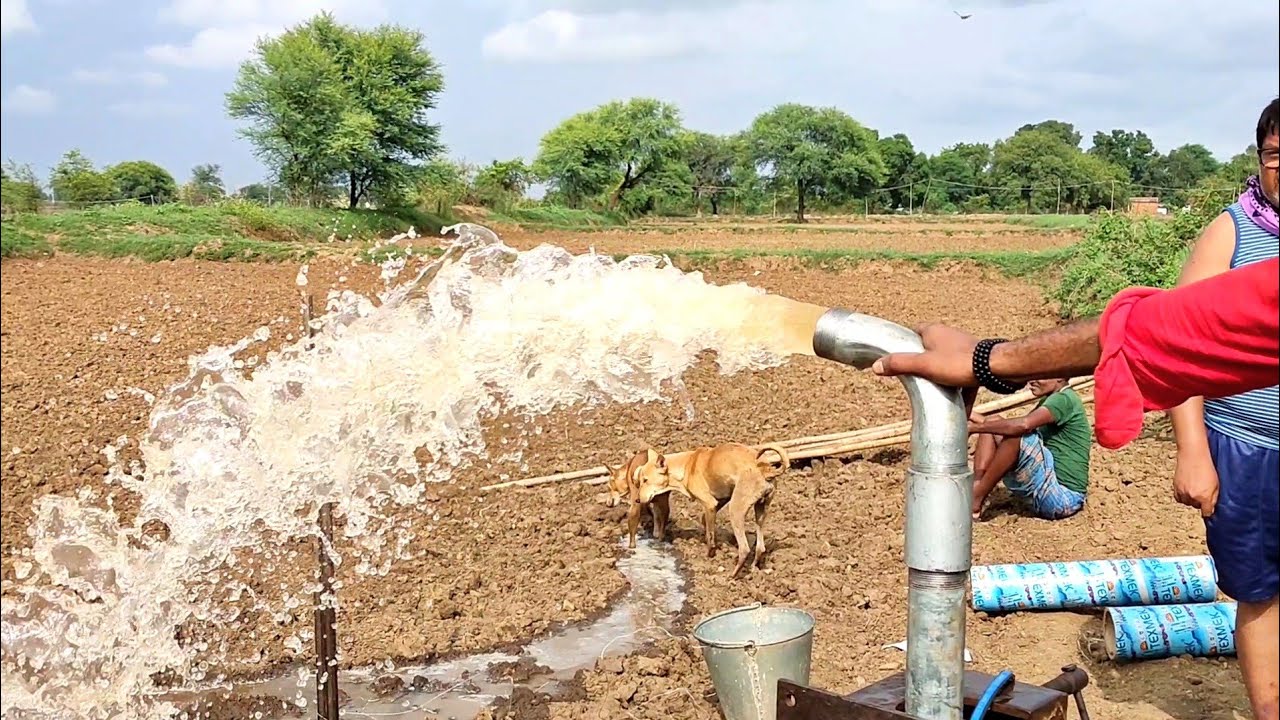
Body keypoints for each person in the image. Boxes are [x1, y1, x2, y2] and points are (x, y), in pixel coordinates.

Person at [870, 255, 1279, 451]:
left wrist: (987, 363)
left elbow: (1175, 330)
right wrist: (991, 362)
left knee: (1010, 438)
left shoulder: (1061, 401)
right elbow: (1192, 324)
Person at [1168, 98, 1278, 720]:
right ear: (1260, 159)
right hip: (1249, 449)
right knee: (1261, 592)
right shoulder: (1233, 233)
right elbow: (1178, 347)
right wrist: (1193, 452)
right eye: (1276, 154)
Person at [968, 378, 1092, 521]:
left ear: (1059, 376)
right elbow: (1005, 426)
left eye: (1039, 375)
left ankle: (976, 498)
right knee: (992, 423)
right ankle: (976, 489)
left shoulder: (1063, 399)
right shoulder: (1050, 400)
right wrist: (972, 418)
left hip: (1063, 498)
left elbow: (1023, 425)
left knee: (1016, 434)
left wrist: (973, 428)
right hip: (1048, 493)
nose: (1031, 381)